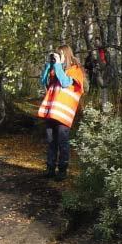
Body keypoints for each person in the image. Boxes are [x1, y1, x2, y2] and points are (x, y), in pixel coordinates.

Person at [37, 44, 85, 181]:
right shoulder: (56, 70)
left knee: (62, 142)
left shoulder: (75, 71)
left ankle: (62, 171)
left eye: (60, 55)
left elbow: (64, 82)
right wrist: (49, 66)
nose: (57, 58)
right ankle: (50, 169)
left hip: (63, 114)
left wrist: (57, 66)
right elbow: (44, 82)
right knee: (51, 141)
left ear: (66, 55)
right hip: (52, 112)